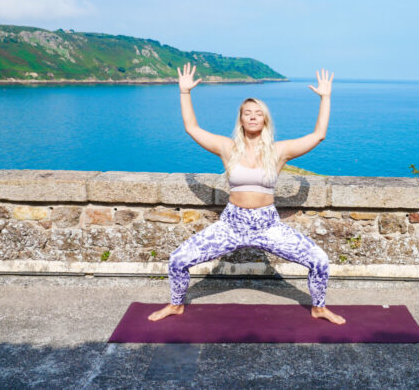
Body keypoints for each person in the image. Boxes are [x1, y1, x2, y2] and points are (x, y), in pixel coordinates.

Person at [148, 62, 346, 325]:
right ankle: (176, 304)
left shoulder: (278, 151)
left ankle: (319, 308)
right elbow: (192, 128)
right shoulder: (227, 148)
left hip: (267, 225)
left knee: (319, 260)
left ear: (265, 119)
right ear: (241, 119)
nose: (253, 117)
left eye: (258, 113)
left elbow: (318, 135)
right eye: (247, 113)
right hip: (232, 224)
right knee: (178, 260)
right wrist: (185, 92)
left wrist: (326, 98)